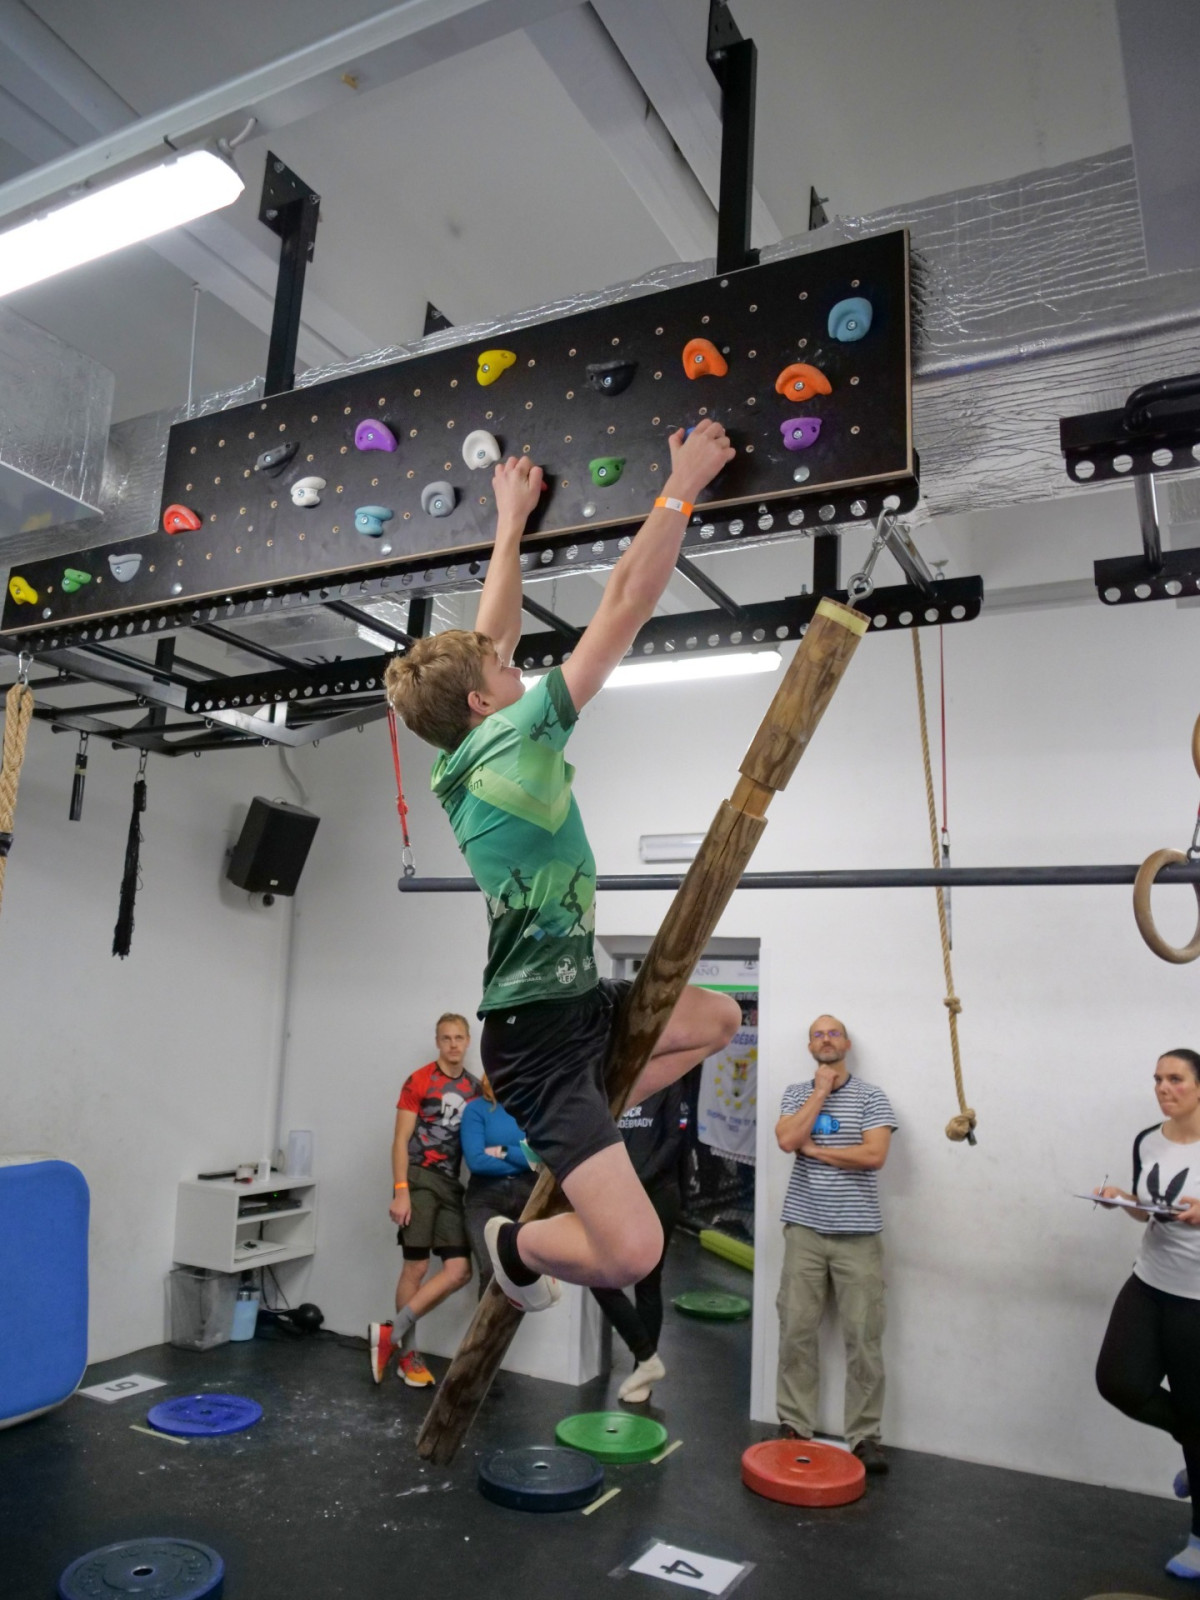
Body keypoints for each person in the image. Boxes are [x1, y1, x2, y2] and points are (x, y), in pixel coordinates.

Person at [384, 427, 741, 1312]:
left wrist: (511, 524)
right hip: (536, 1038)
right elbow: (624, 601)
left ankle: (586, 1130)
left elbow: (488, 637)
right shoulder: (514, 734)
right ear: (483, 703)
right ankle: (516, 1241)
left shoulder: (458, 755)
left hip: (571, 1002)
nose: (518, 663)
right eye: (506, 669)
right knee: (632, 1253)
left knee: (718, 1018)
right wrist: (680, 486)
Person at [1094, 1048, 1200, 1582]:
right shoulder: (1148, 1139)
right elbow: (1149, 1207)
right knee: (1118, 1381)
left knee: (1197, 1408)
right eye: (1158, 1078)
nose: (1163, 1087)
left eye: (1175, 1079)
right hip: (1150, 1281)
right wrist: (1123, 1199)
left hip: (1197, 1299)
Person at [774, 1014, 896, 1475]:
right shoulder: (796, 1094)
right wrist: (820, 1092)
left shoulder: (871, 1096)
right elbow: (788, 1139)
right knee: (795, 1330)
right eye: (817, 1034)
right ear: (810, 1047)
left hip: (858, 1235)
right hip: (804, 1230)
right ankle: (794, 1424)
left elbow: (875, 1155)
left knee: (864, 1338)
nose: (826, 1039)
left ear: (846, 1044)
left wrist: (818, 1152)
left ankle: (865, 1436)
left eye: (833, 1033)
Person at [369, 1013, 479, 1387]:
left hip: (451, 1185)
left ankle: (391, 1333)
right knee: (415, 1268)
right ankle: (408, 1355)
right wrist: (401, 1190)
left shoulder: (475, 1089)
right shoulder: (419, 1080)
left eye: (459, 1037)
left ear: (468, 1041)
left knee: (459, 1271)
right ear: (437, 1042)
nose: (453, 1044)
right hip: (417, 1179)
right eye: (446, 1038)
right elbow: (400, 1139)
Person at [591, 1082, 689, 1404]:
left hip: (657, 1194)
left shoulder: (669, 1083)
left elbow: (674, 1139)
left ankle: (641, 1373)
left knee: (648, 1280)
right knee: (597, 1274)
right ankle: (647, 1357)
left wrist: (636, 1180)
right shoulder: (614, 1079)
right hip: (616, 1192)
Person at [460, 1075, 538, 1293]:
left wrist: (502, 1151)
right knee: (492, 1272)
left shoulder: (530, 1108)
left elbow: (538, 1159)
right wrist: (521, 1160)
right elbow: (477, 1161)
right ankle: (486, 1317)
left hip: (527, 1194)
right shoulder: (476, 1110)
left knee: (526, 1273)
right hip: (486, 1197)